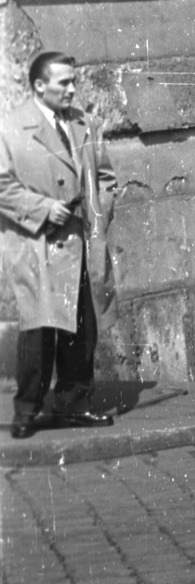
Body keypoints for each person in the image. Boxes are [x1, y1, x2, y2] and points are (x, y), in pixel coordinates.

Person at [0, 52, 116, 439]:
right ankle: (27, 409)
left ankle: (74, 403)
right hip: (38, 242)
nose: (72, 89)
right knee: (38, 330)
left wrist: (98, 214)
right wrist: (44, 208)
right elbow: (2, 186)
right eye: (63, 82)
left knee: (82, 327)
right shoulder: (12, 127)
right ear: (38, 86)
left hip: (81, 239)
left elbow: (105, 177)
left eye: (73, 81)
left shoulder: (83, 123)